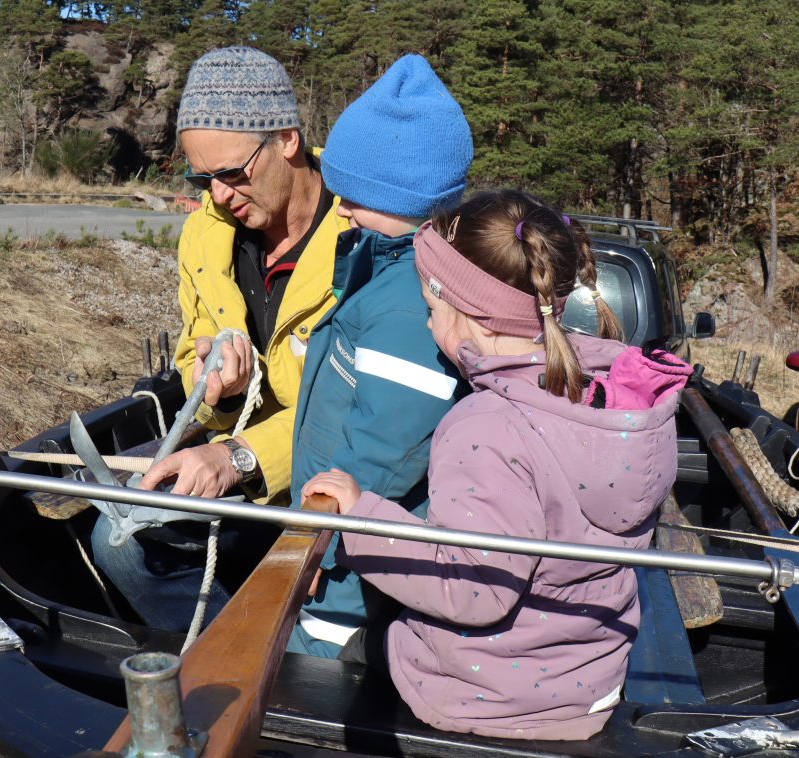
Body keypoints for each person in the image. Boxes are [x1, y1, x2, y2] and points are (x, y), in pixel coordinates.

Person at [303, 189, 691, 740]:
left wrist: (359, 518)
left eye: (432, 311)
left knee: (342, 650)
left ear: (470, 312)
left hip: (479, 697)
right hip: (585, 687)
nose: (431, 329)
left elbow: (473, 587)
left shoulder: (485, 424)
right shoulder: (618, 401)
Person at [91, 46, 348, 633]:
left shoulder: (364, 228)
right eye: (201, 178)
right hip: (236, 458)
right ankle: (226, 653)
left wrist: (239, 456)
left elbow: (362, 410)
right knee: (119, 536)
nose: (219, 196)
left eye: (233, 174)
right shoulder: (206, 236)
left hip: (335, 476)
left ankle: (279, 669)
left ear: (287, 138)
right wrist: (218, 388)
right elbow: (190, 354)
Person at [286, 54, 473, 659]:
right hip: (335, 532)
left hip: (348, 572)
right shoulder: (385, 259)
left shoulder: (407, 306)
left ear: (404, 200)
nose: (338, 208)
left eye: (355, 196)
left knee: (306, 690)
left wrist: (315, 544)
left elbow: (386, 448)